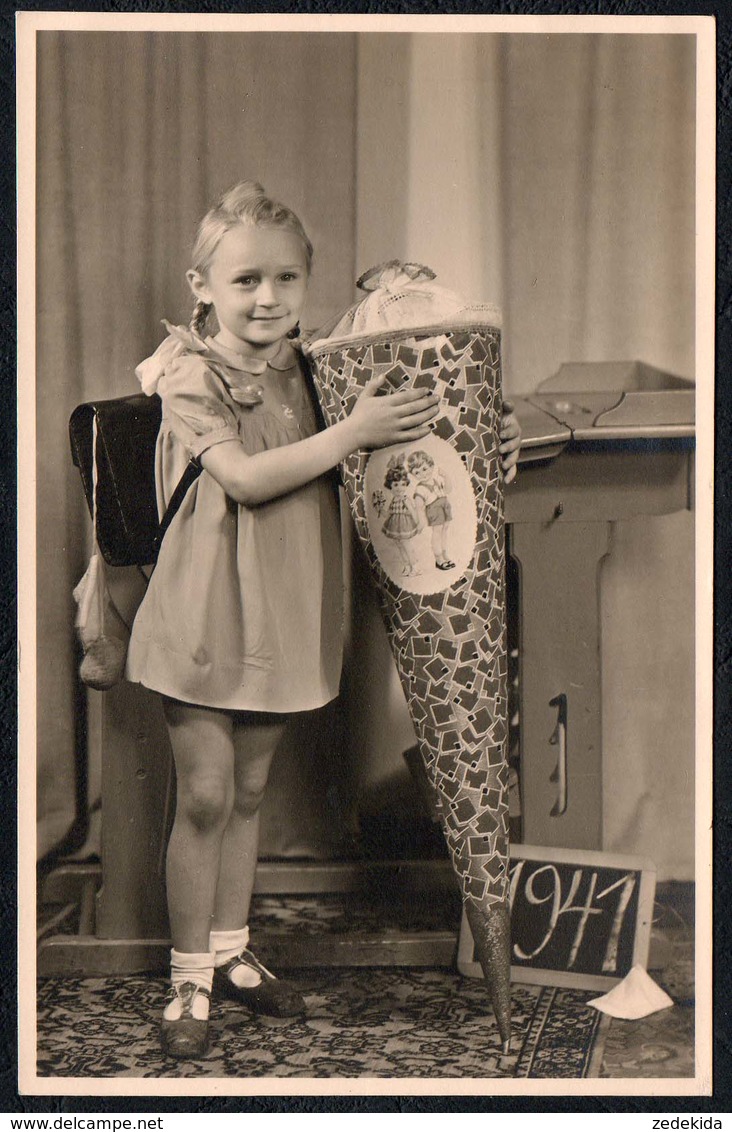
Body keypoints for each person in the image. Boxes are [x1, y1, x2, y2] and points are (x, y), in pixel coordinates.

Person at [126, 180, 522, 1059]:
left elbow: (412, 420)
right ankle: (188, 976)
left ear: (306, 284)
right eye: (244, 283)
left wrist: (482, 432)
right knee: (204, 794)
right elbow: (246, 479)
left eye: (286, 280)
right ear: (202, 287)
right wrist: (358, 431)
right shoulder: (188, 369)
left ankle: (233, 953)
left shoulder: (317, 366)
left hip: (285, 604)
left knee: (253, 791)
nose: (267, 300)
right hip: (203, 604)